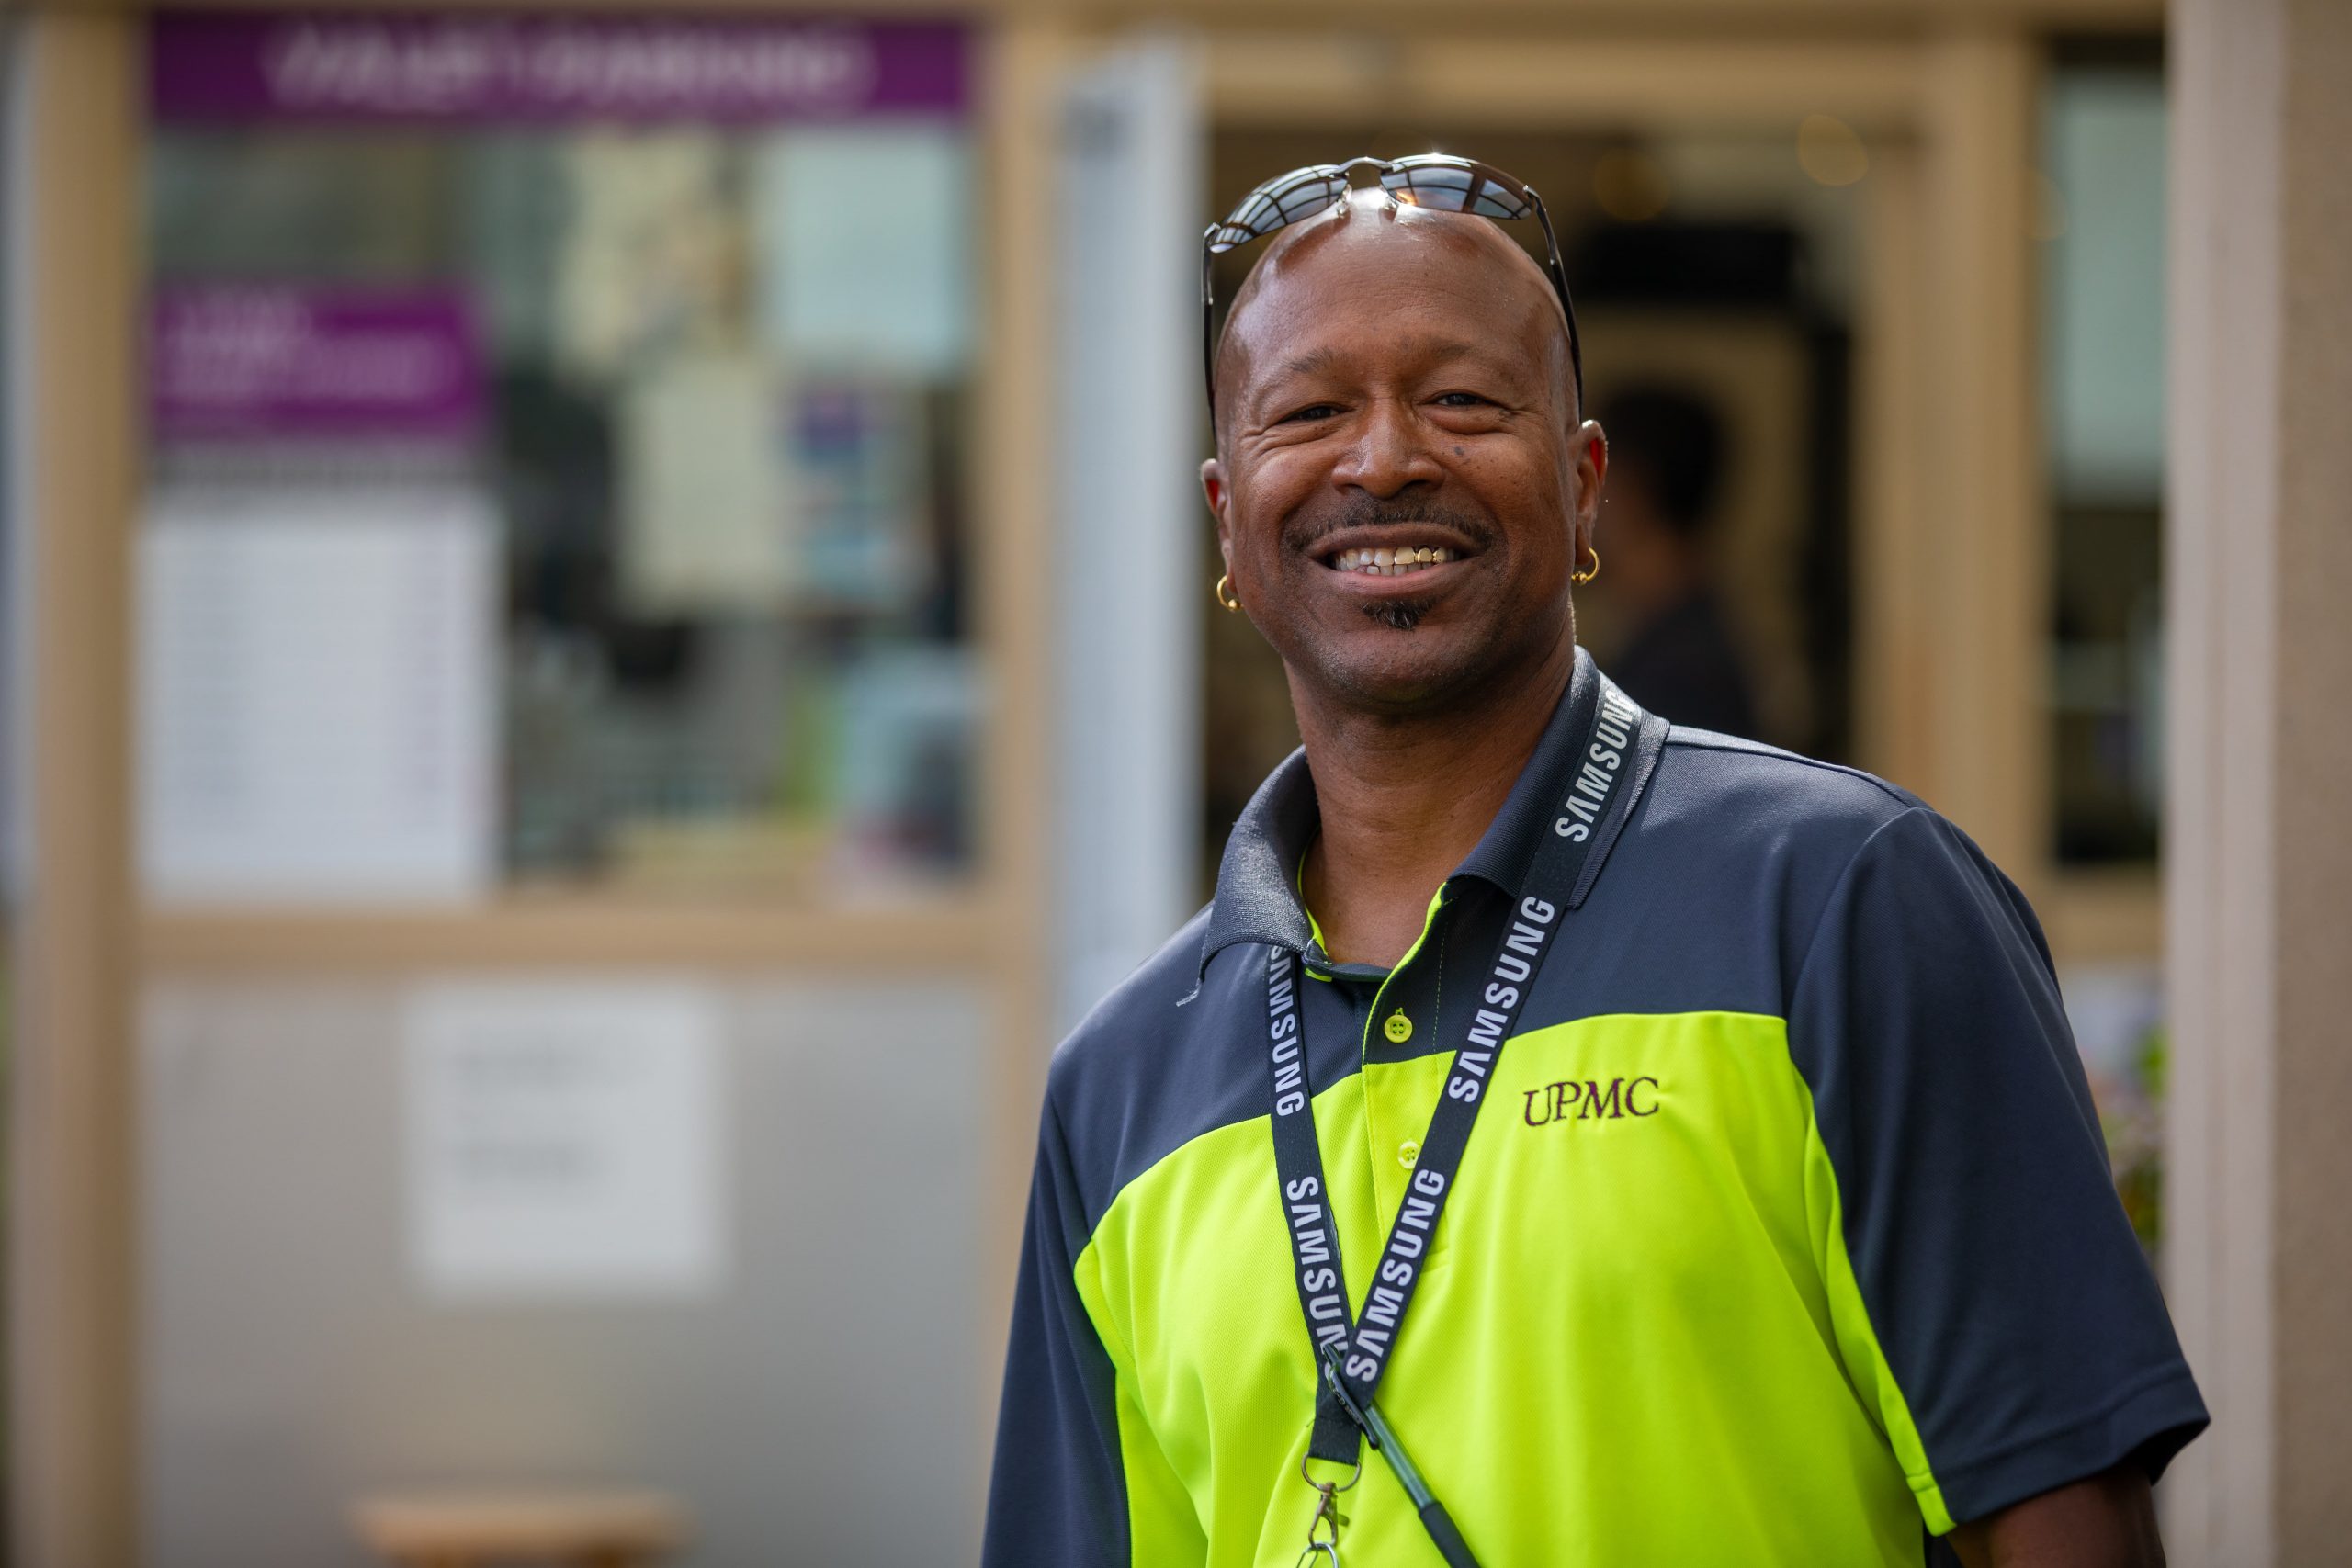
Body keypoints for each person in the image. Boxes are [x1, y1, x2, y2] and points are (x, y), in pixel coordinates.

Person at [984, 157, 2203, 1568]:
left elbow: (2060, 1518)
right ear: (1230, 524)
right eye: (1311, 411)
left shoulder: (1845, 902)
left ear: (1583, 488)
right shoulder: (1123, 1081)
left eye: (1461, 401)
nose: (1382, 459)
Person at [1592, 383, 1758, 739]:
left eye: (1588, 477)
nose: (1576, 503)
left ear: (1632, 489)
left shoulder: (1683, 674)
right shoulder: (1676, 645)